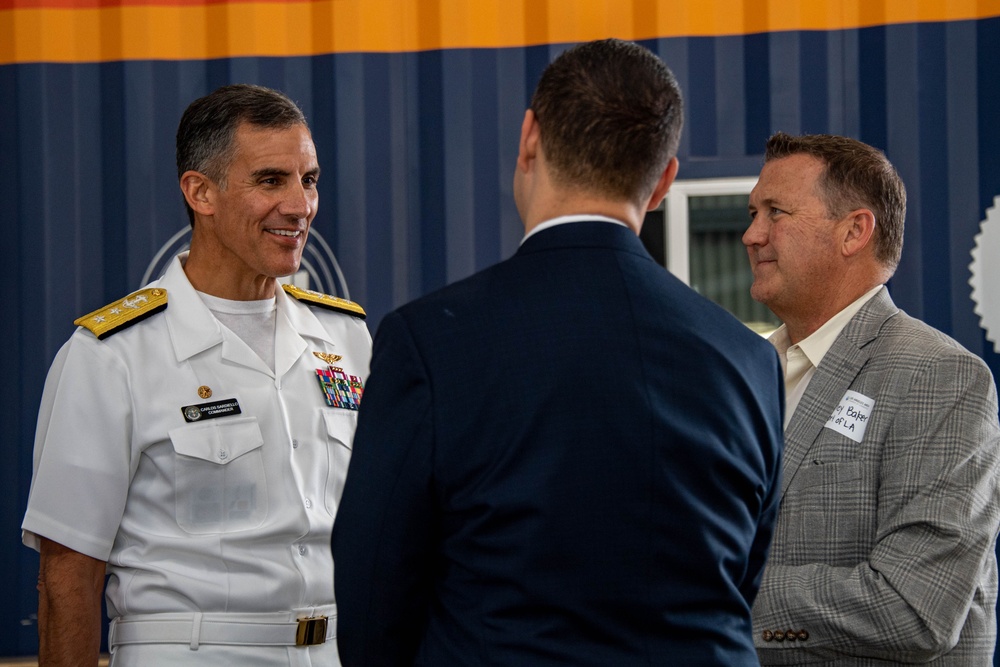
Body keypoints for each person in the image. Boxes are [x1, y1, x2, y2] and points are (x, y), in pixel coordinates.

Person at [332, 38, 784, 666]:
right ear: (663, 183)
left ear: (528, 139)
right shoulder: (749, 360)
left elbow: (374, 587)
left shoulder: (431, 340)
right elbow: (740, 580)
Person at [21, 84, 371, 665]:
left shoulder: (346, 337)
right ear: (200, 192)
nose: (300, 205)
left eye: (308, 179)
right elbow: (69, 575)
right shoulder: (111, 355)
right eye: (270, 180)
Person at [744, 132, 1000, 664]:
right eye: (753, 213)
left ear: (855, 231)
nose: (751, 234)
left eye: (775, 212)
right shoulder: (745, 369)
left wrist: (717, 593)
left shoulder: (939, 376)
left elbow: (916, 606)